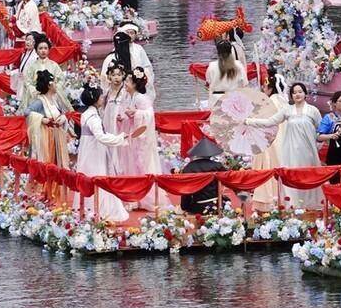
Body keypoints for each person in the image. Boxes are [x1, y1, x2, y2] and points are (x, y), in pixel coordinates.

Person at [246, 82, 324, 209]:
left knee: (309, 175)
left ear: (305, 94)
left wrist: (321, 142)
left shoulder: (313, 111)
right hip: (291, 151)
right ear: (291, 95)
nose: (297, 94)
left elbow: (321, 130)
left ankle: (312, 205)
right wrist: (249, 121)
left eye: (300, 92)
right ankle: (293, 205)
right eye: (294, 92)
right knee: (292, 177)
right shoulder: (287, 110)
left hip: (308, 151)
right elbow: (269, 122)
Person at [73, 84, 130, 223]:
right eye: (100, 96)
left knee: (89, 176)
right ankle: (100, 210)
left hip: (89, 149)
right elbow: (101, 136)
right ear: (96, 99)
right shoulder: (93, 117)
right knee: (97, 177)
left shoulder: (86, 113)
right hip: (94, 152)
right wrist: (119, 138)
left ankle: (89, 208)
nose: (102, 98)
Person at [116, 66, 170, 211]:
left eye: (127, 80)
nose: (125, 83)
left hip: (141, 140)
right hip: (132, 136)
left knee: (141, 166)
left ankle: (145, 197)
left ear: (134, 84)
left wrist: (137, 113)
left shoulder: (141, 98)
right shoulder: (129, 97)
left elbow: (149, 114)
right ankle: (134, 197)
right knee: (131, 165)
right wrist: (122, 118)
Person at [25, 71, 72, 202]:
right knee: (47, 164)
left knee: (57, 165)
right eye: (55, 83)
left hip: (56, 137)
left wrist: (63, 118)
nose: (57, 85)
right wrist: (42, 119)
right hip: (46, 139)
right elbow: (27, 112)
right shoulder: (40, 102)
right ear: (50, 85)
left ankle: (54, 194)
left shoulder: (54, 100)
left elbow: (62, 114)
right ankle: (43, 194)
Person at [250, 71, 288, 210]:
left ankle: (268, 199)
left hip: (270, 139)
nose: (263, 90)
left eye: (265, 88)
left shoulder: (269, 102)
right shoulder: (284, 102)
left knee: (269, 166)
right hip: (283, 138)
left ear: (270, 88)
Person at [101, 23, 156, 102]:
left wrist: (139, 75)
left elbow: (147, 66)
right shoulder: (113, 55)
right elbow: (105, 75)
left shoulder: (138, 49)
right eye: (128, 33)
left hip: (135, 83)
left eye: (132, 33)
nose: (130, 35)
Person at [17, 34, 72, 113]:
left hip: (53, 97)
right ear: (36, 51)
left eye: (45, 48)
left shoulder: (54, 65)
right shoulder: (32, 66)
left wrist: (54, 88)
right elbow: (27, 82)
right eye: (40, 48)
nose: (43, 51)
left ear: (49, 50)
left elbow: (61, 80)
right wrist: (35, 91)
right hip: (36, 97)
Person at [180, 137, 228, 214]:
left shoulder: (189, 168)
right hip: (217, 204)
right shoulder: (218, 166)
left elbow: (186, 190)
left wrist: (185, 206)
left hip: (198, 206)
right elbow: (228, 179)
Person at [206, 39, 247, 105]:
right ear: (230, 51)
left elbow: (208, 81)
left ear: (218, 52)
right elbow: (244, 84)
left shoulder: (211, 66)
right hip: (233, 102)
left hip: (215, 102)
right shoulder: (239, 66)